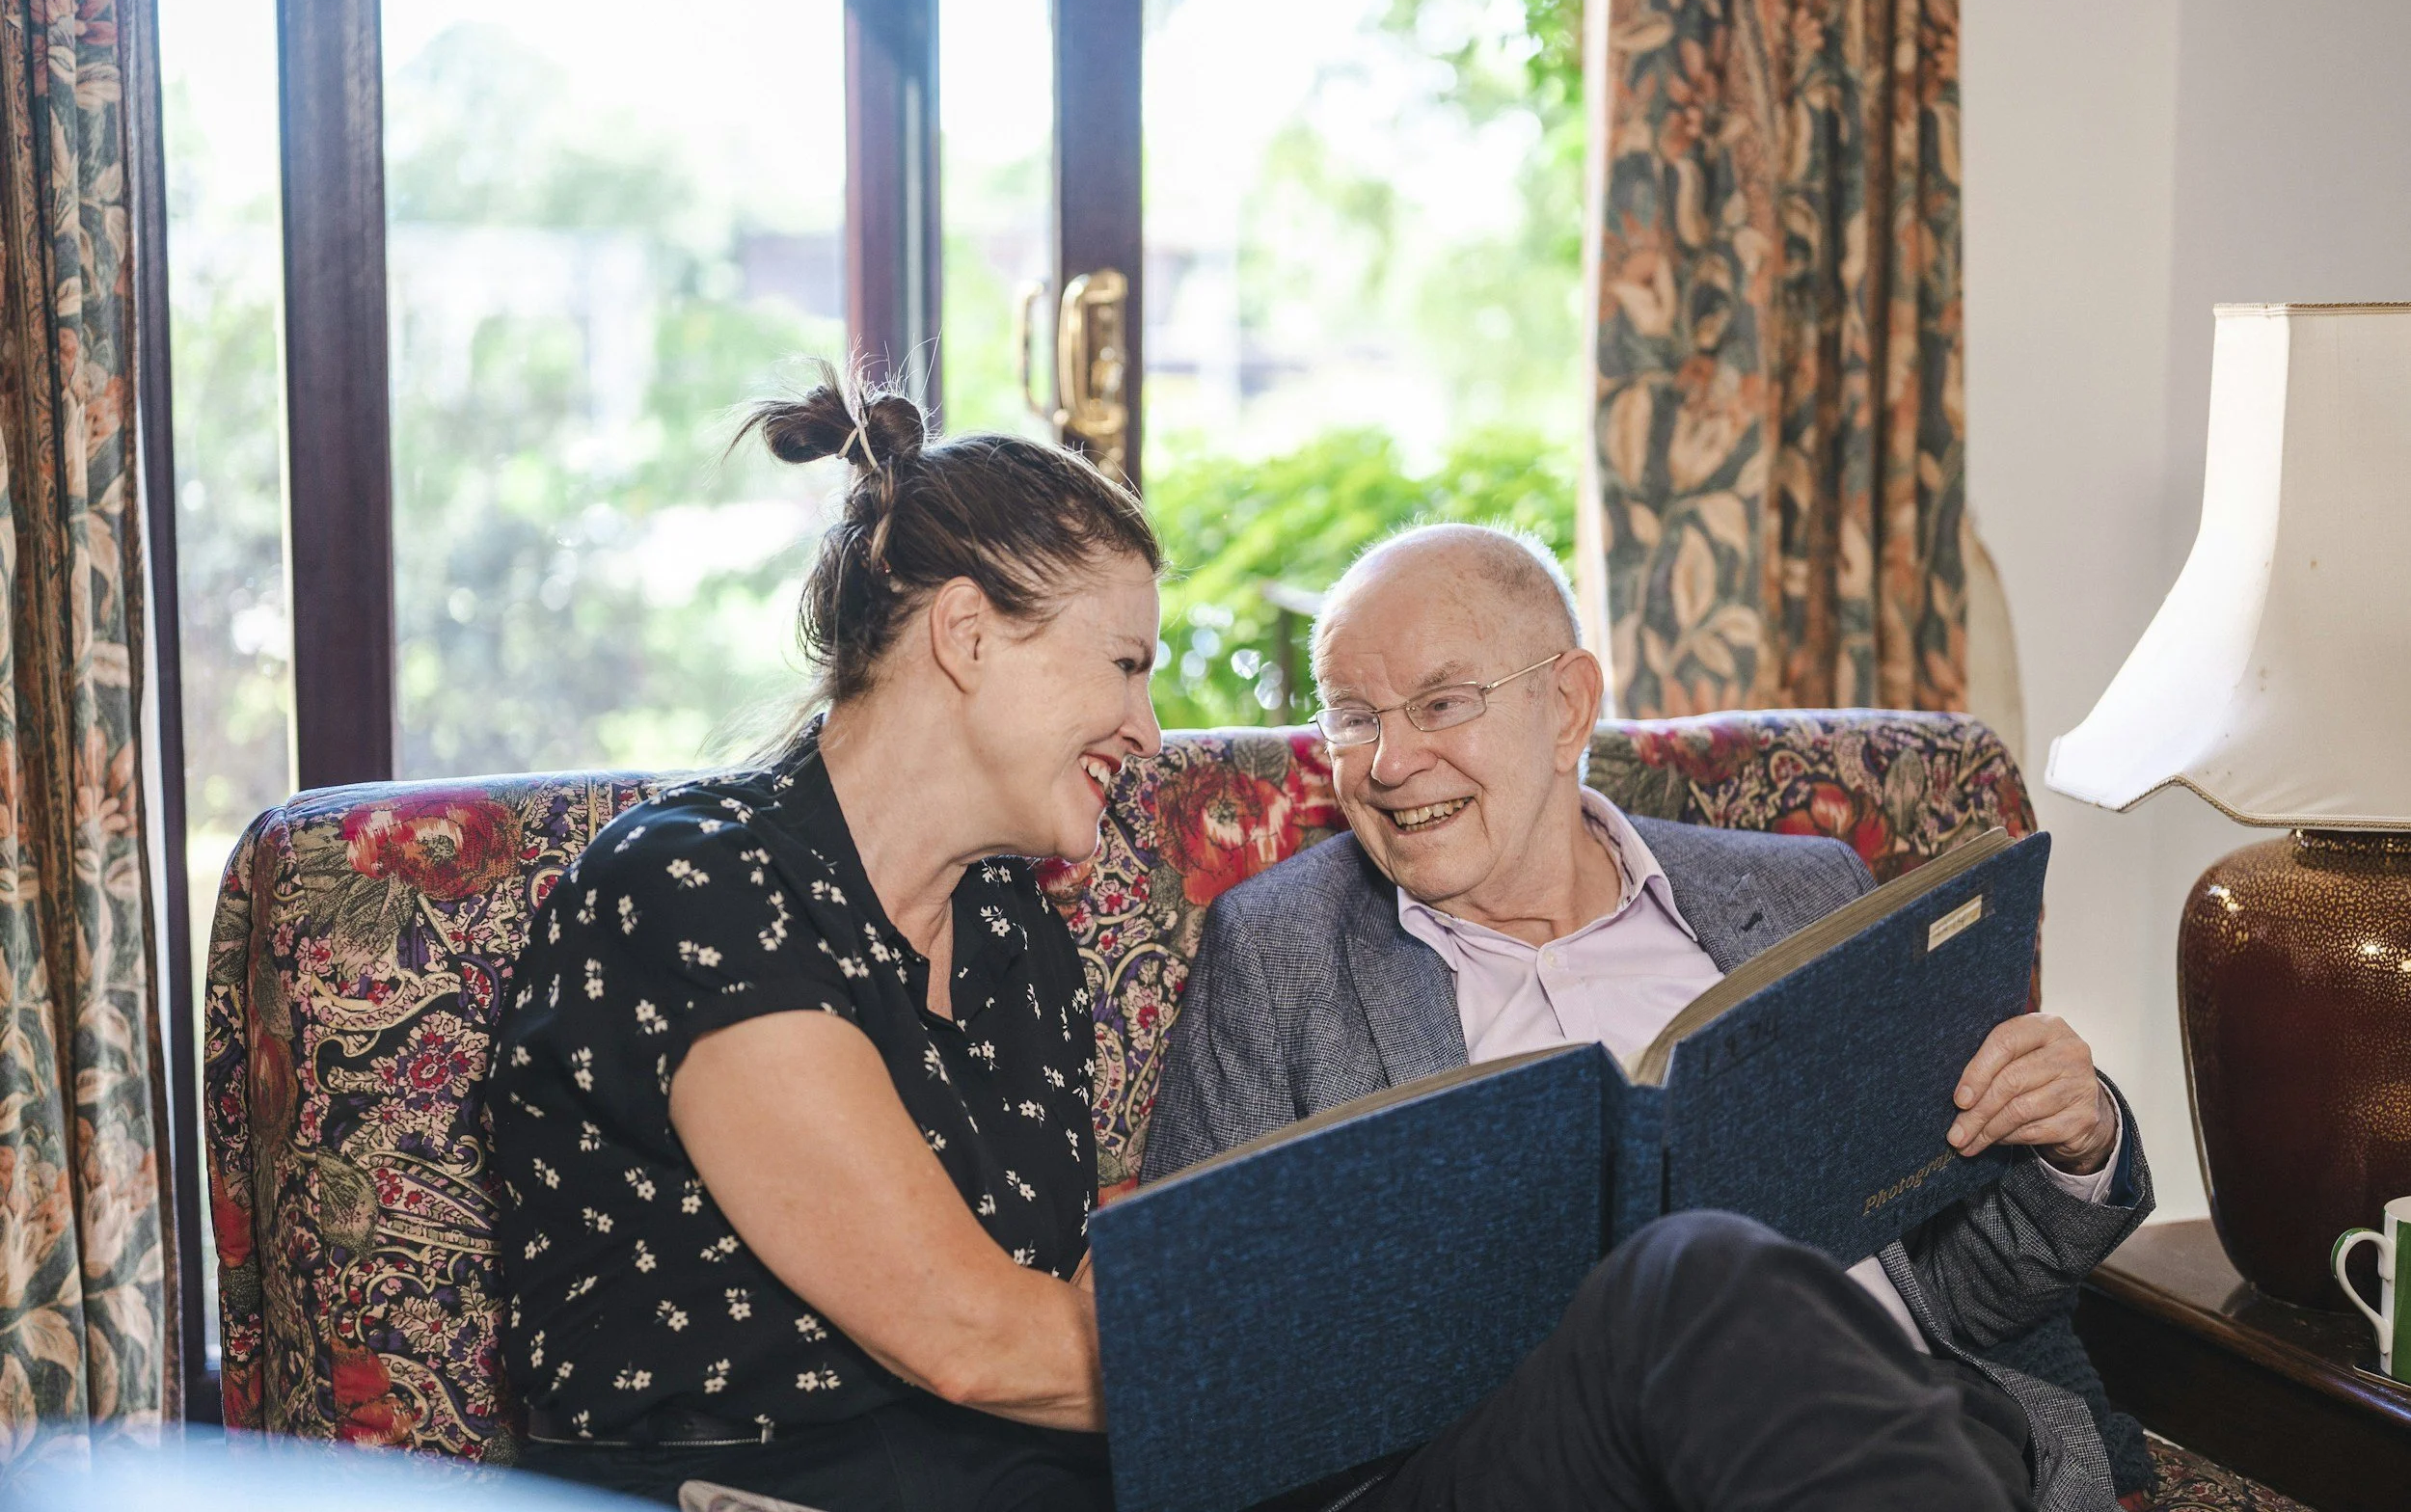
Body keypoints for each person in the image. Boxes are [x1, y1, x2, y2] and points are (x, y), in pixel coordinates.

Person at [1144, 524, 2155, 1512]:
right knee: (1687, 1268)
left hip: (1893, 1417)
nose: (1387, 760)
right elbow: (1196, 1361)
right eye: (1353, 717)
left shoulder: (1800, 896)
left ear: (1568, 706)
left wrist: (2076, 1142)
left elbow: (1966, 1290)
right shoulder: (1279, 954)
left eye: (1440, 702)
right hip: (1513, 1461)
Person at [489, 370, 1162, 1509]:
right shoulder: (693, 887)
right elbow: (972, 1338)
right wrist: (1319, 1359)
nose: (1147, 732)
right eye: (1125, 666)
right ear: (966, 633)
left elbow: (1067, 1316)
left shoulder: (1012, 928)